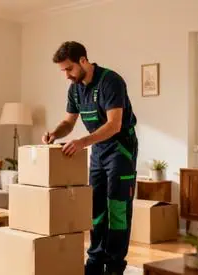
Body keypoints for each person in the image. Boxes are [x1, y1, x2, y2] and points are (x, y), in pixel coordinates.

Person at [43, 41, 139, 275]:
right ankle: (95, 260)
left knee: (117, 208)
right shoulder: (75, 89)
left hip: (120, 148)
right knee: (95, 207)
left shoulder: (111, 81)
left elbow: (114, 125)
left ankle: (115, 265)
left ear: (83, 61)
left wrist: (82, 142)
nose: (66, 75)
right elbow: (68, 122)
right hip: (98, 150)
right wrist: (55, 133)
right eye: (63, 70)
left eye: (69, 69)